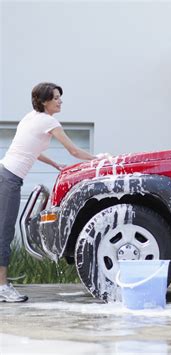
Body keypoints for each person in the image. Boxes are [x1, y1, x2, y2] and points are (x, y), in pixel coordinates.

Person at [0, 82, 98, 302]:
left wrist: (54, 165)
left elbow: (29, 149)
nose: (60, 100)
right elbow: (73, 150)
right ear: (44, 101)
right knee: (4, 232)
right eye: (56, 97)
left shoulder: (30, 117)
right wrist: (99, 159)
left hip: (4, 173)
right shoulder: (49, 121)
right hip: (9, 179)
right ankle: (2, 287)